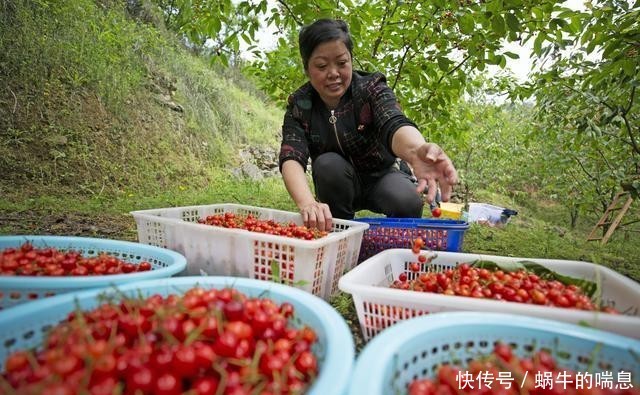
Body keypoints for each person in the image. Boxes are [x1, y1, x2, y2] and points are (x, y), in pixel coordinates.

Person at [279, 18, 458, 232]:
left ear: (351, 60)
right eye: (322, 66)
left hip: (382, 176)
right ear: (307, 68)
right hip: (337, 182)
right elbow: (291, 155)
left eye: (342, 63)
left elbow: (393, 121)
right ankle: (339, 232)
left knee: (407, 200)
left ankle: (396, 242)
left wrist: (417, 150)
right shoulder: (300, 105)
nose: (334, 73)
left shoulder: (371, 88)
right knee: (327, 164)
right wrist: (307, 203)